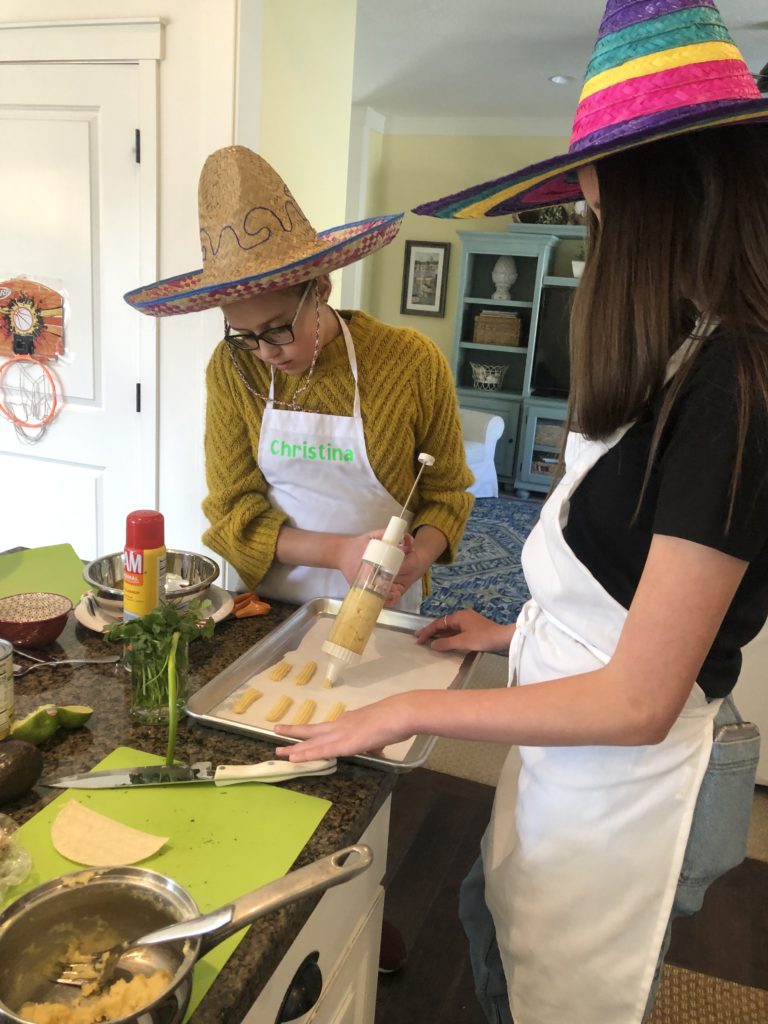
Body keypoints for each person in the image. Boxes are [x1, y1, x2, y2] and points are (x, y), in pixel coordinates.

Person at [274, 2, 768, 1022]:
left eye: (592, 208)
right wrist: (510, 631)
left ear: (654, 198)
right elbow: (629, 586)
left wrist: (407, 706)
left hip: (623, 800)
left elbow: (637, 698)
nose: (593, 234)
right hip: (560, 771)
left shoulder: (736, 390)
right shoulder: (682, 358)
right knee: (487, 916)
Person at [124, 147, 473, 611]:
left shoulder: (411, 361)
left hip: (383, 602)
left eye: (278, 329)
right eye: (244, 334)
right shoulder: (232, 368)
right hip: (271, 606)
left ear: (321, 289)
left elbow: (446, 493)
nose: (266, 353)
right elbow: (233, 510)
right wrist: (339, 553)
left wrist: (420, 556)